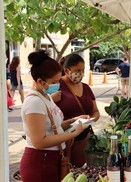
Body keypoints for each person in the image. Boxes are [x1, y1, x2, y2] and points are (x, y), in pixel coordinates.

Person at [20, 50, 88, 182]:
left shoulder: (46, 96)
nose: (58, 84)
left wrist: (74, 121)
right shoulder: (34, 102)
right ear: (40, 81)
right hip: (40, 163)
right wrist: (74, 134)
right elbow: (39, 141)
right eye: (55, 81)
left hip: (52, 160)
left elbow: (53, 127)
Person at [55, 53, 100, 167]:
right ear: (66, 70)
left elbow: (95, 111)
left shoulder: (86, 87)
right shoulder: (56, 86)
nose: (80, 74)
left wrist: (89, 120)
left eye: (82, 70)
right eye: (77, 70)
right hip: (64, 141)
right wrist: (51, 98)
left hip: (84, 139)